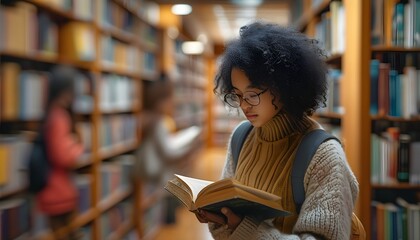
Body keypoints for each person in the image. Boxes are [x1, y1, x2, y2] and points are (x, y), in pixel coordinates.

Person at [195, 21, 359, 239]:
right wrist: (219, 217)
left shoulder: (323, 156)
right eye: (238, 95)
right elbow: (225, 226)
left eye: (252, 94)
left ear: (284, 87)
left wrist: (248, 231)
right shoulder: (241, 138)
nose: (244, 105)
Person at [133, 73, 202, 223]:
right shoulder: (158, 122)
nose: (172, 102)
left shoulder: (148, 118)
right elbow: (169, 154)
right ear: (160, 100)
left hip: (151, 174)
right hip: (158, 176)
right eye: (169, 99)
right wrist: (190, 147)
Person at [36, 65, 84, 240]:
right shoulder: (59, 116)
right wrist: (78, 146)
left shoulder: (51, 114)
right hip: (58, 191)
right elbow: (63, 156)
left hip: (55, 189)